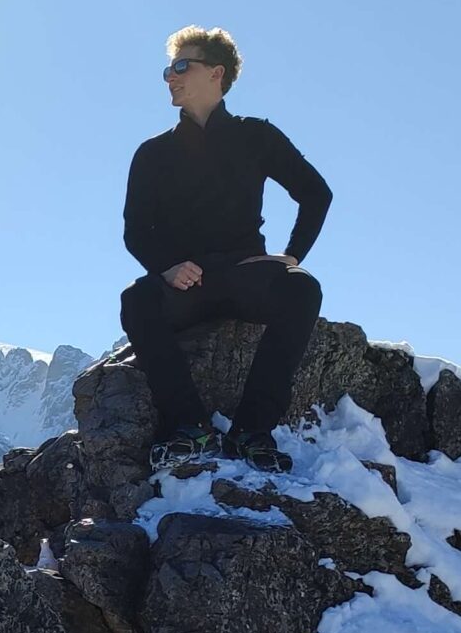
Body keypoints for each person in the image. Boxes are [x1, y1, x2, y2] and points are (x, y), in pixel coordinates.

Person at [118, 26, 332, 469]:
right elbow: (135, 230)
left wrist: (291, 258)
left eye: (181, 66)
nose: (170, 77)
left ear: (217, 73)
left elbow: (316, 193)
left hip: (244, 274)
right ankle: (190, 426)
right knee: (136, 301)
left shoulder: (257, 136)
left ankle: (251, 432)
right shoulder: (153, 153)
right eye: (167, 70)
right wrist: (166, 267)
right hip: (184, 282)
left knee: (302, 289)